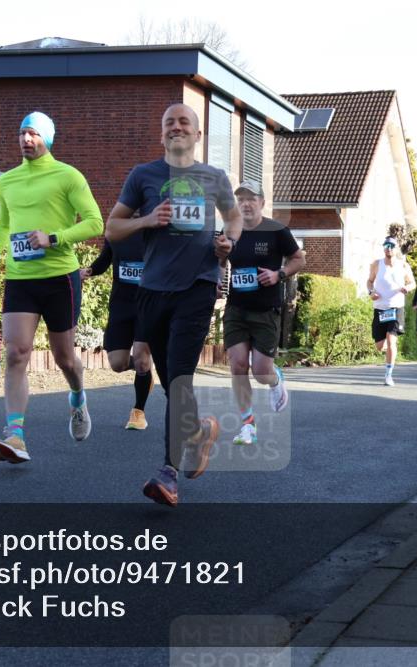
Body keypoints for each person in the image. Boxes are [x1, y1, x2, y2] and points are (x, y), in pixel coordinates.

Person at [107, 103, 242, 507]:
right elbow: (112, 228)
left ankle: (168, 471)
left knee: (181, 375)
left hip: (197, 287)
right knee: (170, 382)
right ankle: (199, 430)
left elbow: (234, 220)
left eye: (184, 122)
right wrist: (146, 221)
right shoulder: (142, 176)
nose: (176, 127)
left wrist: (227, 243)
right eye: (169, 122)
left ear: (198, 135)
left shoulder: (214, 178)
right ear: (162, 133)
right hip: (152, 289)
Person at [0, 111, 104, 463]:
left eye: (32, 133)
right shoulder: (8, 181)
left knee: (64, 358)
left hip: (59, 278)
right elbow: (4, 223)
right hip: (20, 278)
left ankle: (78, 397)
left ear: (47, 139)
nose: (25, 139)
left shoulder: (68, 176)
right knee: (16, 353)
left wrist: (54, 238)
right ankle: (15, 435)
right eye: (21, 133)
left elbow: (95, 221)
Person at [224, 181, 305, 445]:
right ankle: (247, 425)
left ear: (262, 202)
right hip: (236, 308)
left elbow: (298, 258)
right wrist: (216, 276)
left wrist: (278, 274)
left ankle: (275, 378)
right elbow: (218, 258)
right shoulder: (230, 230)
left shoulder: (277, 230)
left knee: (260, 372)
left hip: (265, 309)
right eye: (241, 199)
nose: (246, 204)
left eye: (251, 199)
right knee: (237, 366)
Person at [80, 236, 154, 430]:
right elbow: (105, 259)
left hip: (148, 305)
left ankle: (138, 412)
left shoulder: (155, 231)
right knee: (117, 364)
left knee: (141, 358)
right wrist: (88, 271)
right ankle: (145, 373)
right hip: (121, 306)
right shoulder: (116, 232)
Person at [367, 236, 416, 386]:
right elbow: (369, 281)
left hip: (396, 307)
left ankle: (388, 374)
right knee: (380, 346)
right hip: (380, 308)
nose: (388, 247)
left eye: (391, 245)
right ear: (383, 248)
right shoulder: (377, 264)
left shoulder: (403, 266)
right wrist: (371, 292)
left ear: (396, 248)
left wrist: (407, 288)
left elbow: (412, 282)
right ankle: (390, 349)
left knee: (391, 339)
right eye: (386, 245)